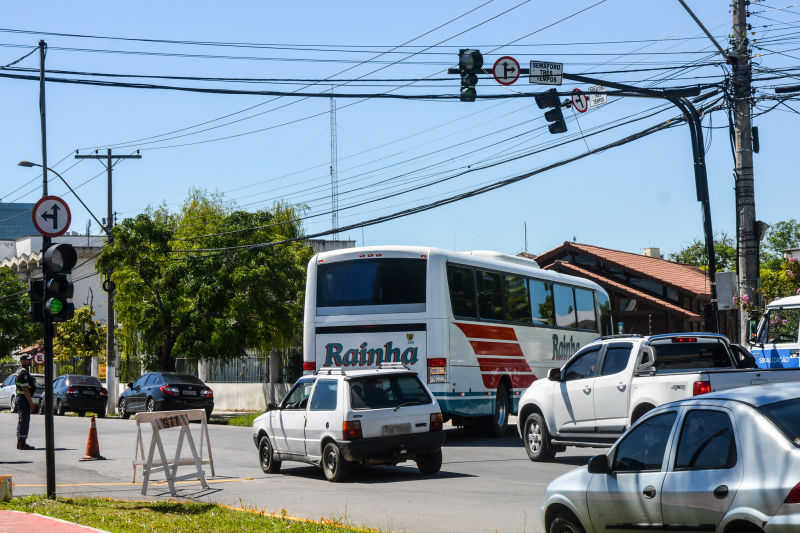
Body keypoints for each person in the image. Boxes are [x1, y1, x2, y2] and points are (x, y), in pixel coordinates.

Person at [15, 354, 36, 450]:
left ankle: (20, 442)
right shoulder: (23, 372)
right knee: (24, 421)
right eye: (28, 360)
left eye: (30, 360)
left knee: (22, 420)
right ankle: (22, 443)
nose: (30, 361)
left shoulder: (20, 370)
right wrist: (31, 403)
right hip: (24, 399)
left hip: (21, 398)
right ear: (22, 361)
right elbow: (25, 389)